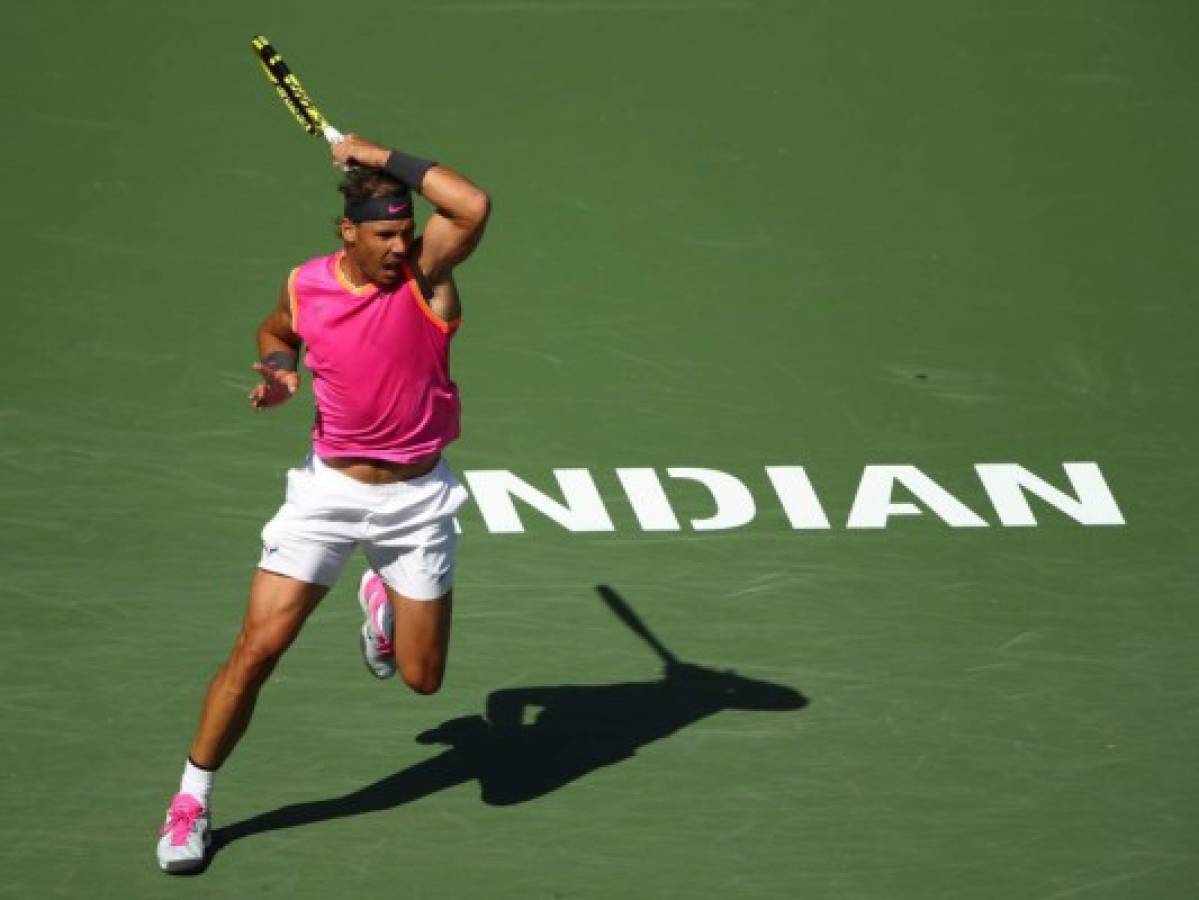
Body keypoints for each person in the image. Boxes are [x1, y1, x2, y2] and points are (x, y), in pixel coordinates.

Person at [154, 134, 491, 873]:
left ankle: (380, 598)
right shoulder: (306, 285)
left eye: (406, 232)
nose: (401, 247)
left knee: (423, 679)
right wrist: (279, 369)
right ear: (348, 233)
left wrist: (379, 153)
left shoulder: (425, 277)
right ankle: (191, 801)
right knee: (256, 652)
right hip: (327, 496)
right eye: (384, 236)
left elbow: (470, 205)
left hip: (416, 501)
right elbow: (277, 332)